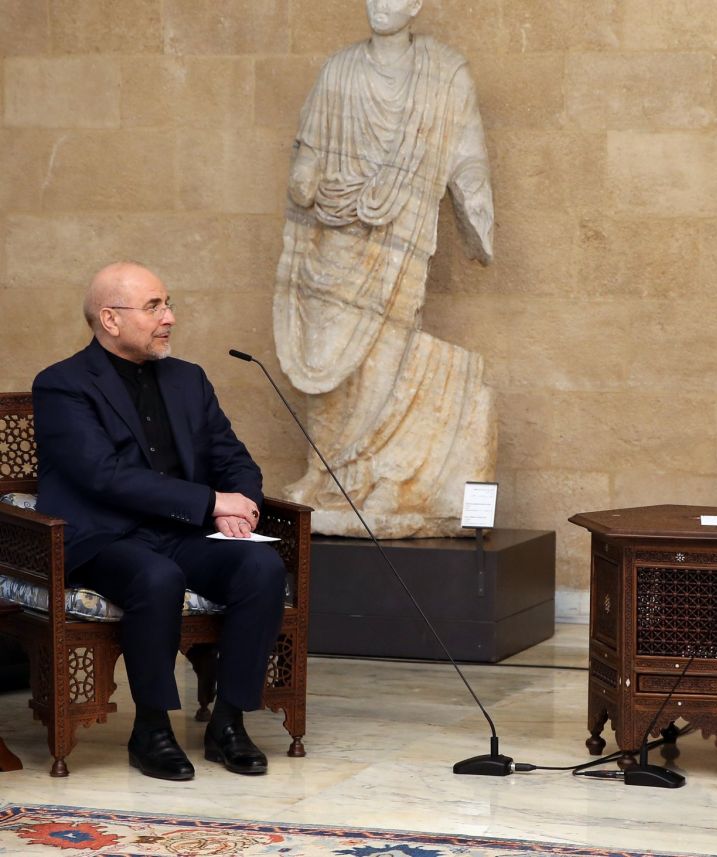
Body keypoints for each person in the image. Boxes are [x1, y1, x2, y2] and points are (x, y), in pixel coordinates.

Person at [32, 261, 287, 781]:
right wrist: (211, 502)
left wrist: (242, 506)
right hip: (105, 537)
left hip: (181, 532)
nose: (169, 317)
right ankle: (150, 729)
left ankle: (229, 723)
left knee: (260, 566)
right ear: (110, 319)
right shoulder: (61, 385)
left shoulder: (188, 378)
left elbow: (232, 457)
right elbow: (104, 477)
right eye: (154, 307)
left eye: (168, 304)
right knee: (156, 576)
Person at [273, 0, 496, 539]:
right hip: (332, 228)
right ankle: (324, 472)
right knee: (324, 353)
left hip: (399, 229)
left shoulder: (445, 73)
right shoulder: (339, 68)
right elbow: (309, 144)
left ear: (416, 4)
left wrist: (477, 214)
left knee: (386, 351)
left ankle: (374, 476)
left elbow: (467, 152)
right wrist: (304, 172)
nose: (380, 6)